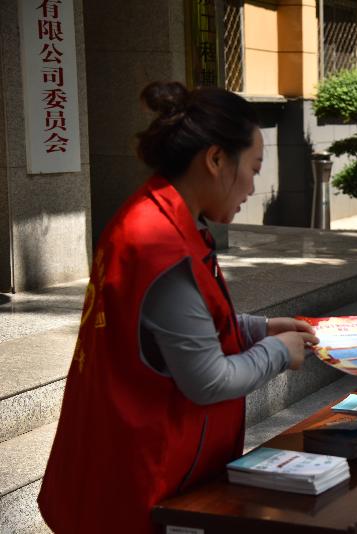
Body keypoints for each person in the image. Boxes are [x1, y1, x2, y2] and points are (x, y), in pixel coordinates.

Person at [37, 82, 319, 533]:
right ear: (215, 159)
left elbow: (176, 328)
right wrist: (279, 352)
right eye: (253, 168)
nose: (253, 187)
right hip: (143, 477)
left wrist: (256, 328)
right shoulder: (159, 242)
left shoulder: (157, 214)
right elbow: (208, 379)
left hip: (125, 461)